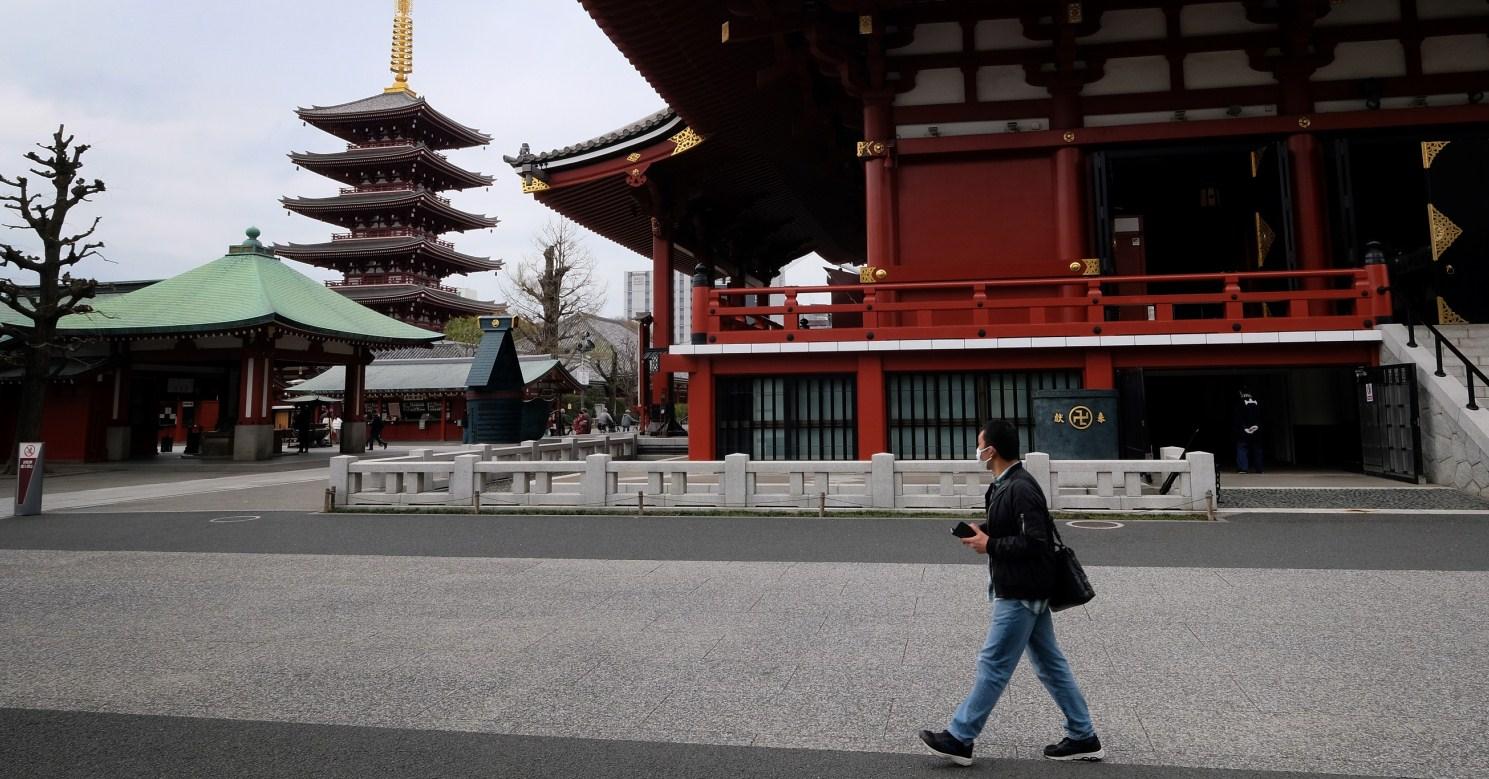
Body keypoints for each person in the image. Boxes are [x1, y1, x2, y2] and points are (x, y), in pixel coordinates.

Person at [919, 419, 1102, 767]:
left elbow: (1036, 542)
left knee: (994, 663)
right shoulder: (1005, 484)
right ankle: (1083, 736)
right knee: (1051, 665)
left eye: (980, 444)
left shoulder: (1021, 487)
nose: (977, 450)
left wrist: (990, 544)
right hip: (1024, 587)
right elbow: (1012, 528)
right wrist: (983, 531)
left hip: (1022, 590)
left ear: (993, 450)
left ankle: (960, 737)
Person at [1235, 387, 1263, 474]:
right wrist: (1257, 426)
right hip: (1257, 429)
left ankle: (1243, 468)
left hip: (1243, 430)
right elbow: (1263, 415)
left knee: (1242, 448)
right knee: (1257, 448)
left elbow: (1237, 417)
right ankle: (1259, 468)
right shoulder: (1258, 402)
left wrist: (1244, 428)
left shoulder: (1239, 402)